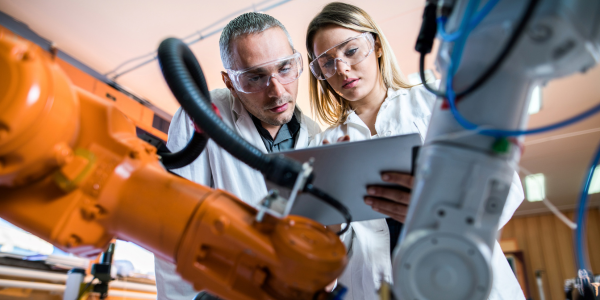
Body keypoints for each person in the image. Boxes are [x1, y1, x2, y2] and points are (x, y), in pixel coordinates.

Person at [306, 3, 525, 300]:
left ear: (377, 46)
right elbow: (333, 251)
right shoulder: (324, 145)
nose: (341, 68)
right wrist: (331, 224)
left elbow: (506, 186)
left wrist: (440, 211)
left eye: (351, 50)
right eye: (326, 62)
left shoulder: (435, 101)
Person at [154, 12, 323, 300]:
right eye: (256, 77)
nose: (277, 91)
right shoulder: (202, 113)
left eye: (285, 68)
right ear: (230, 82)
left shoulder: (313, 132)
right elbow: (173, 226)